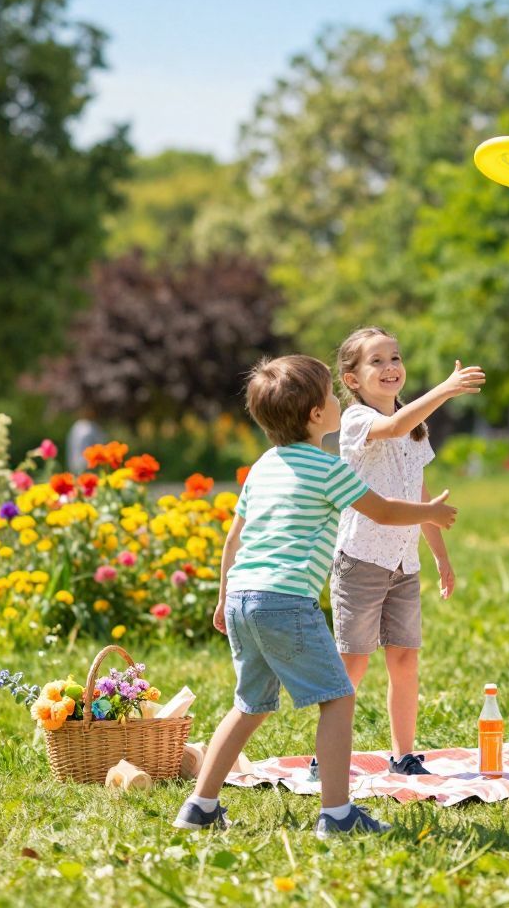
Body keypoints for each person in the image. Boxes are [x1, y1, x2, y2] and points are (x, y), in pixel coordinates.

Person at [173, 354, 457, 835]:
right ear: (315, 415)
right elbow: (383, 512)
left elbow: (233, 540)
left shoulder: (261, 469)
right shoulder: (328, 469)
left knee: (249, 705)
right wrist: (429, 512)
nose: (336, 402)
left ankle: (200, 805)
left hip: (244, 595)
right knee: (338, 699)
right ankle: (338, 814)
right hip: (286, 601)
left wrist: (224, 598)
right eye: (330, 395)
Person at [331, 327, 484, 775]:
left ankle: (404, 755)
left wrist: (440, 556)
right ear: (353, 379)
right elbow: (392, 426)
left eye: (395, 357)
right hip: (361, 559)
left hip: (403, 564)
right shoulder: (357, 421)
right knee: (353, 663)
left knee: (405, 658)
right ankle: (329, 754)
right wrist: (446, 389)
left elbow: (421, 494)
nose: (390, 367)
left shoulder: (415, 425)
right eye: (376, 361)